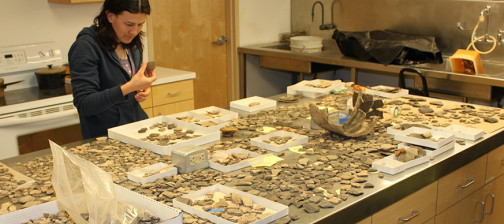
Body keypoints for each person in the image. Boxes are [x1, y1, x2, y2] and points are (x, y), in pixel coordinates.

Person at [69, 0, 156, 139]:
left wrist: (141, 88)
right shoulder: (85, 47)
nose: (134, 31)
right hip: (105, 137)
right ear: (110, 16)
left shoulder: (132, 42)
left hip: (135, 130)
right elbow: (85, 104)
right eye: (129, 24)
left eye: (140, 25)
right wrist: (129, 87)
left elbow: (125, 81)